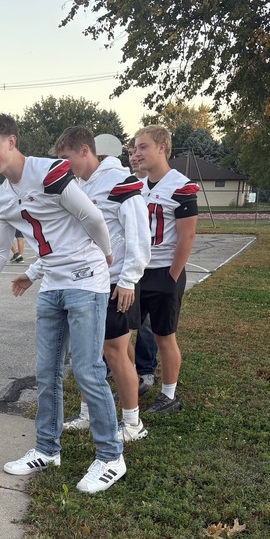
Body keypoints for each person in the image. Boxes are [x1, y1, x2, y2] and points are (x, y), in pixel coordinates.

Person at [0, 113, 126, 494]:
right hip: (51, 285)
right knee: (46, 373)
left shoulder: (48, 172)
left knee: (89, 370)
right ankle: (47, 449)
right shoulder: (1, 196)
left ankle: (111, 457)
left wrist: (106, 255)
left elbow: (92, 217)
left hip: (85, 281)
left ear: (11, 141)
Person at [53, 126, 151, 442]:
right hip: (88, 283)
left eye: (66, 158)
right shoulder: (79, 184)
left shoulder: (120, 182)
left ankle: (133, 424)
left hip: (114, 284)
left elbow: (138, 234)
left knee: (115, 352)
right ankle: (87, 413)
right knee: (90, 353)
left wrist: (128, 280)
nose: (64, 166)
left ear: (85, 150)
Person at [132, 125, 199, 414]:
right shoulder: (137, 184)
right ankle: (135, 379)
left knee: (163, 335)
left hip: (163, 272)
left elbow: (187, 236)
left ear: (162, 147)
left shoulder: (180, 185)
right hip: (137, 271)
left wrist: (172, 275)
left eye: (143, 146)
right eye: (134, 147)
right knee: (122, 333)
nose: (137, 153)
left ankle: (169, 395)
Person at [127, 137, 158, 393]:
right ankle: (125, 371)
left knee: (147, 325)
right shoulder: (127, 186)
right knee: (124, 324)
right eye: (131, 152)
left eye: (140, 151)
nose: (135, 156)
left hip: (153, 266)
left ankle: (146, 370)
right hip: (128, 266)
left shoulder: (163, 183)